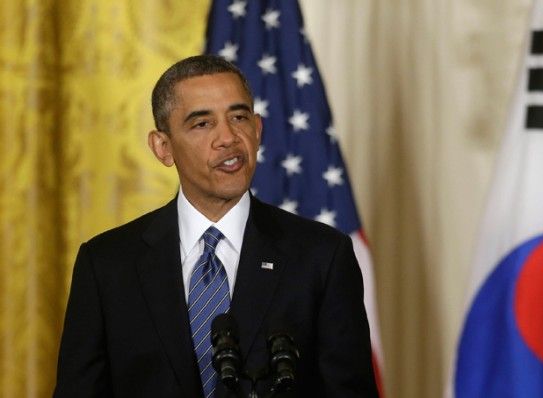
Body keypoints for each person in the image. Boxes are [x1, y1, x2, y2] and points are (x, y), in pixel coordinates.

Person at [54, 55, 378, 397]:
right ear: (163, 147)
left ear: (257, 130)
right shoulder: (107, 264)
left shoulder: (322, 256)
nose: (228, 137)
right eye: (202, 124)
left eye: (239, 117)